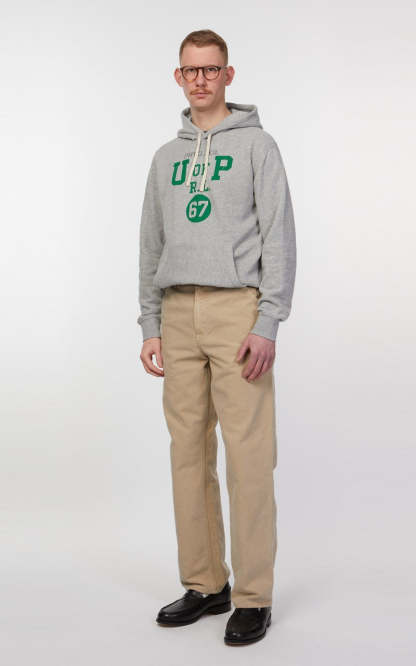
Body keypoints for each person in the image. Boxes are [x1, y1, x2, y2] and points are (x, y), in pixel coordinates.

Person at [137, 29, 297, 646]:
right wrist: (150, 323)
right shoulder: (164, 159)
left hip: (237, 311)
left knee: (249, 455)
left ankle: (254, 596)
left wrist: (267, 321)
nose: (200, 80)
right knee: (187, 453)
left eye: (211, 69)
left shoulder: (258, 146)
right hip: (178, 312)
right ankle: (206, 583)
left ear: (228, 75)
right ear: (178, 77)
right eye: (190, 70)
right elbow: (150, 244)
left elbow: (279, 236)